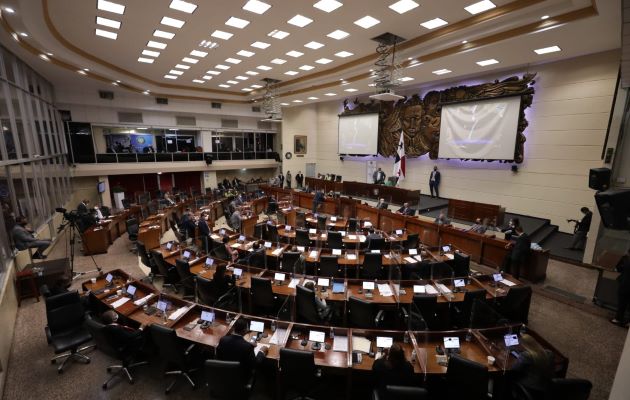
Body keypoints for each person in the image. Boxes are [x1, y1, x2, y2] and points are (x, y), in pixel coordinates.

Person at [510, 334, 554, 398]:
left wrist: (519, 357)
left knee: (510, 379)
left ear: (524, 345)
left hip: (530, 388)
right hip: (546, 388)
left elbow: (514, 369)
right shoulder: (549, 353)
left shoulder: (526, 355)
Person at [611, 248, 630, 327]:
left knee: (622, 303)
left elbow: (618, 268)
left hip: (624, 284)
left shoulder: (626, 259)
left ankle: (618, 319)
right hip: (625, 284)